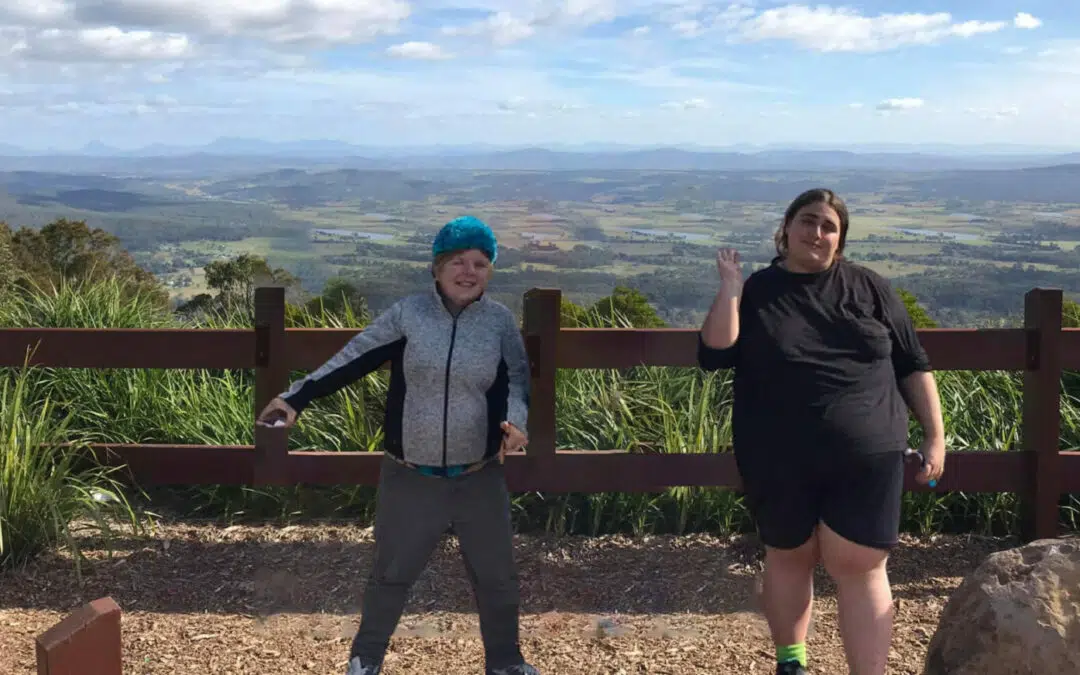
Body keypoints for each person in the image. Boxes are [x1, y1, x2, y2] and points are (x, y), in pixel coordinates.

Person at [256, 215, 540, 675]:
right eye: (457, 261)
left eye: (480, 263)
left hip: (479, 475)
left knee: (498, 579)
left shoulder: (499, 322)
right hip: (410, 475)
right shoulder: (409, 314)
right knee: (390, 575)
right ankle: (366, 660)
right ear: (436, 266)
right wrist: (296, 398)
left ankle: (506, 663)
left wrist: (517, 424)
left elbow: (517, 383)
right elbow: (353, 357)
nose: (468, 272)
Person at [697, 188, 946, 675]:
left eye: (829, 227)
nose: (817, 233)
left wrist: (935, 435)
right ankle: (791, 663)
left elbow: (913, 365)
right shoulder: (759, 290)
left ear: (841, 239)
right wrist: (730, 289)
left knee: (861, 567)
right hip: (776, 454)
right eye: (808, 221)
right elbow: (715, 354)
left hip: (867, 455)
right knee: (788, 555)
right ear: (786, 229)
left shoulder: (871, 288)